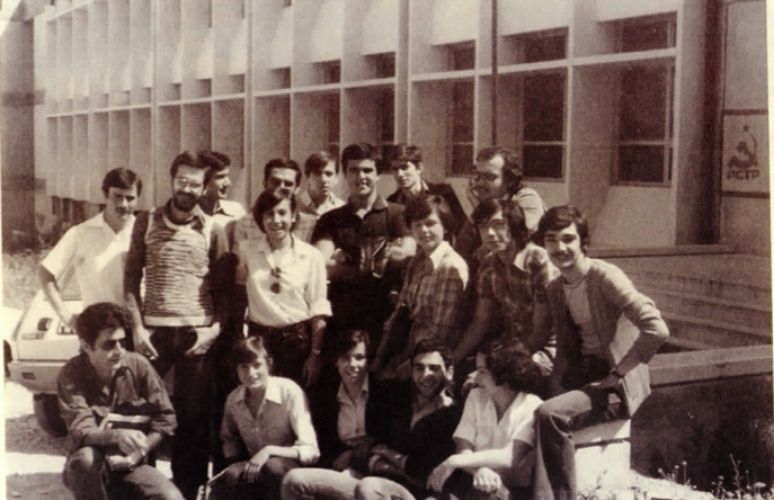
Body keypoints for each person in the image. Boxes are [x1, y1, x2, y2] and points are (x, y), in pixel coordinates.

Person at [531, 205, 669, 500]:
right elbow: (566, 348)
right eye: (551, 239)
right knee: (525, 393)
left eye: (568, 239)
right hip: (584, 372)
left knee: (550, 414)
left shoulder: (605, 277)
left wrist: (618, 373)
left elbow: (657, 329)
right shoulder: (556, 286)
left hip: (615, 383)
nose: (559, 247)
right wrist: (555, 383)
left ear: (583, 242)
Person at [124, 150, 230, 500]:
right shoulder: (147, 221)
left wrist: (213, 331)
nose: (187, 188)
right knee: (144, 413)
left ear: (205, 187)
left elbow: (225, 289)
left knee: (193, 419)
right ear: (172, 179)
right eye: (181, 180)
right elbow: (130, 281)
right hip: (152, 332)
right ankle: (144, 486)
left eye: (195, 183)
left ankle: (188, 491)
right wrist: (138, 329)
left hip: (195, 333)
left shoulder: (213, 227)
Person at [281, 338, 461, 500]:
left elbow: (425, 475)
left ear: (450, 372)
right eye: (419, 367)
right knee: (294, 480)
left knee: (369, 488)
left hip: (413, 494)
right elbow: (374, 442)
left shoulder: (453, 414)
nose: (425, 375)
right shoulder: (398, 398)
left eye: (434, 368)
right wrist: (377, 458)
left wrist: (388, 455)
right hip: (370, 479)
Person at [57, 302, 182, 500]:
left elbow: (165, 418)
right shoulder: (71, 374)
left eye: (123, 342)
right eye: (109, 344)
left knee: (171, 497)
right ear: (86, 346)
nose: (119, 351)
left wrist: (141, 450)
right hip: (92, 466)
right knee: (85, 460)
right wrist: (116, 435)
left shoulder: (138, 365)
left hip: (132, 464)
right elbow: (82, 430)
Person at [312, 143, 415, 351]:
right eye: (354, 170)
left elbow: (407, 254)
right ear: (345, 174)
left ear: (378, 174)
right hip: (342, 319)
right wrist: (380, 256)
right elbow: (320, 265)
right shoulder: (330, 219)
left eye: (368, 170)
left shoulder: (398, 213)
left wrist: (347, 258)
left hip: (385, 318)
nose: (361, 177)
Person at [234, 190, 331, 386]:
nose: (276, 220)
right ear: (261, 217)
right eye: (269, 214)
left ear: (293, 215)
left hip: (297, 343)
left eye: (282, 213)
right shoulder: (246, 250)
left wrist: (315, 354)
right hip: (260, 343)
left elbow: (318, 308)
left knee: (294, 402)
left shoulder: (311, 256)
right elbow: (239, 298)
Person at [451, 199, 557, 374]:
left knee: (494, 382)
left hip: (546, 351)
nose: (490, 233)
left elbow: (541, 331)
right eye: (483, 227)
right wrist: (453, 360)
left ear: (514, 225)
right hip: (509, 347)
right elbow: (480, 322)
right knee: (465, 378)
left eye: (498, 224)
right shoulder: (488, 265)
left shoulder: (538, 261)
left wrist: (501, 363)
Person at [427, 342, 543, 500]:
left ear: (504, 376)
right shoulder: (476, 397)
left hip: (512, 492)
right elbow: (463, 446)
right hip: (476, 484)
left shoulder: (533, 406)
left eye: (482, 371)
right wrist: (480, 470)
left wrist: (453, 461)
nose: (475, 376)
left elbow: (509, 456)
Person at [373, 194, 468, 378]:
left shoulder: (450, 267)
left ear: (445, 226)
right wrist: (379, 359)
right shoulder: (417, 262)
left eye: (430, 223)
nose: (424, 230)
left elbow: (441, 332)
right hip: (407, 353)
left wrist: (408, 368)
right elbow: (398, 314)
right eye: (417, 225)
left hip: (431, 364)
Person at [214, 336, 319, 500]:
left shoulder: (289, 392)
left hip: (289, 470)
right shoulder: (233, 400)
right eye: (244, 367)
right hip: (255, 467)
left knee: (273, 466)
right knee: (233, 475)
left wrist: (269, 451)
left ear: (269, 364)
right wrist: (234, 463)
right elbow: (229, 439)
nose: (251, 374)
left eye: (257, 366)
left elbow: (311, 451)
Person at [40, 168, 142, 330]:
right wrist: (67, 317)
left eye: (130, 198)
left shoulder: (144, 233)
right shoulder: (81, 234)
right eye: (117, 196)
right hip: (98, 334)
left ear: (138, 199)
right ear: (105, 195)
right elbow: (46, 273)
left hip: (137, 331)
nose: (124, 204)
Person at [455, 147, 546, 265]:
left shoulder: (527, 198)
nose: (480, 183)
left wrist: (479, 208)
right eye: (478, 176)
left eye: (489, 177)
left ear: (510, 181)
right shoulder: (484, 204)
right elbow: (460, 250)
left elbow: (512, 238)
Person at [386, 144, 467, 241]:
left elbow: (462, 230)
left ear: (419, 168)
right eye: (395, 169)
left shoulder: (443, 194)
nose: (400, 174)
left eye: (404, 167)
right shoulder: (392, 203)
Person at [233, 158, 318, 245]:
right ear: (265, 183)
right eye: (275, 182)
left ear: (297, 189)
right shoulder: (245, 223)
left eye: (288, 184)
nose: (281, 187)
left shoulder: (311, 224)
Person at [197, 150, 247, 247]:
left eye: (227, 176)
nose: (228, 183)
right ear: (203, 181)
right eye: (220, 177)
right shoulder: (188, 215)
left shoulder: (236, 211)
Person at [301, 151, 345, 217]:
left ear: (336, 178)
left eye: (329, 174)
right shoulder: (295, 206)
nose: (324, 179)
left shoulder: (342, 209)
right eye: (317, 173)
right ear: (307, 176)